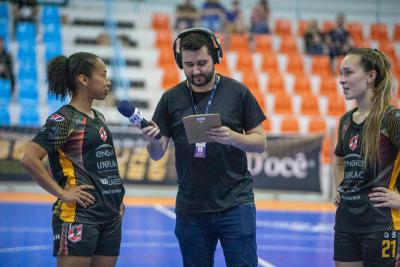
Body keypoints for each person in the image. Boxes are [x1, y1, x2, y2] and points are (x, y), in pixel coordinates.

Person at [140, 27, 267, 267]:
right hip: (191, 206)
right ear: (180, 62)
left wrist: (232, 138)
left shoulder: (238, 92)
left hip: (235, 203)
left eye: (202, 63)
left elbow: (260, 143)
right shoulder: (170, 98)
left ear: (216, 58)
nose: (195, 71)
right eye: (188, 64)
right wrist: (153, 141)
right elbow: (157, 154)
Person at [20, 52, 125, 267]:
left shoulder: (99, 117)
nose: (108, 81)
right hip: (79, 216)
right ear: (83, 80)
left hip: (111, 216)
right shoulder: (64, 119)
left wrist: (115, 198)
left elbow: (103, 166)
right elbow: (29, 158)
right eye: (103, 75)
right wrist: (62, 193)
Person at [333, 47, 399, 267]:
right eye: (340, 73)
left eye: (348, 73)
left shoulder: (392, 118)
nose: (341, 80)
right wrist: (339, 187)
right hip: (346, 221)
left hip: (382, 222)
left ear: (371, 76)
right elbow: (339, 159)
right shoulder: (345, 121)